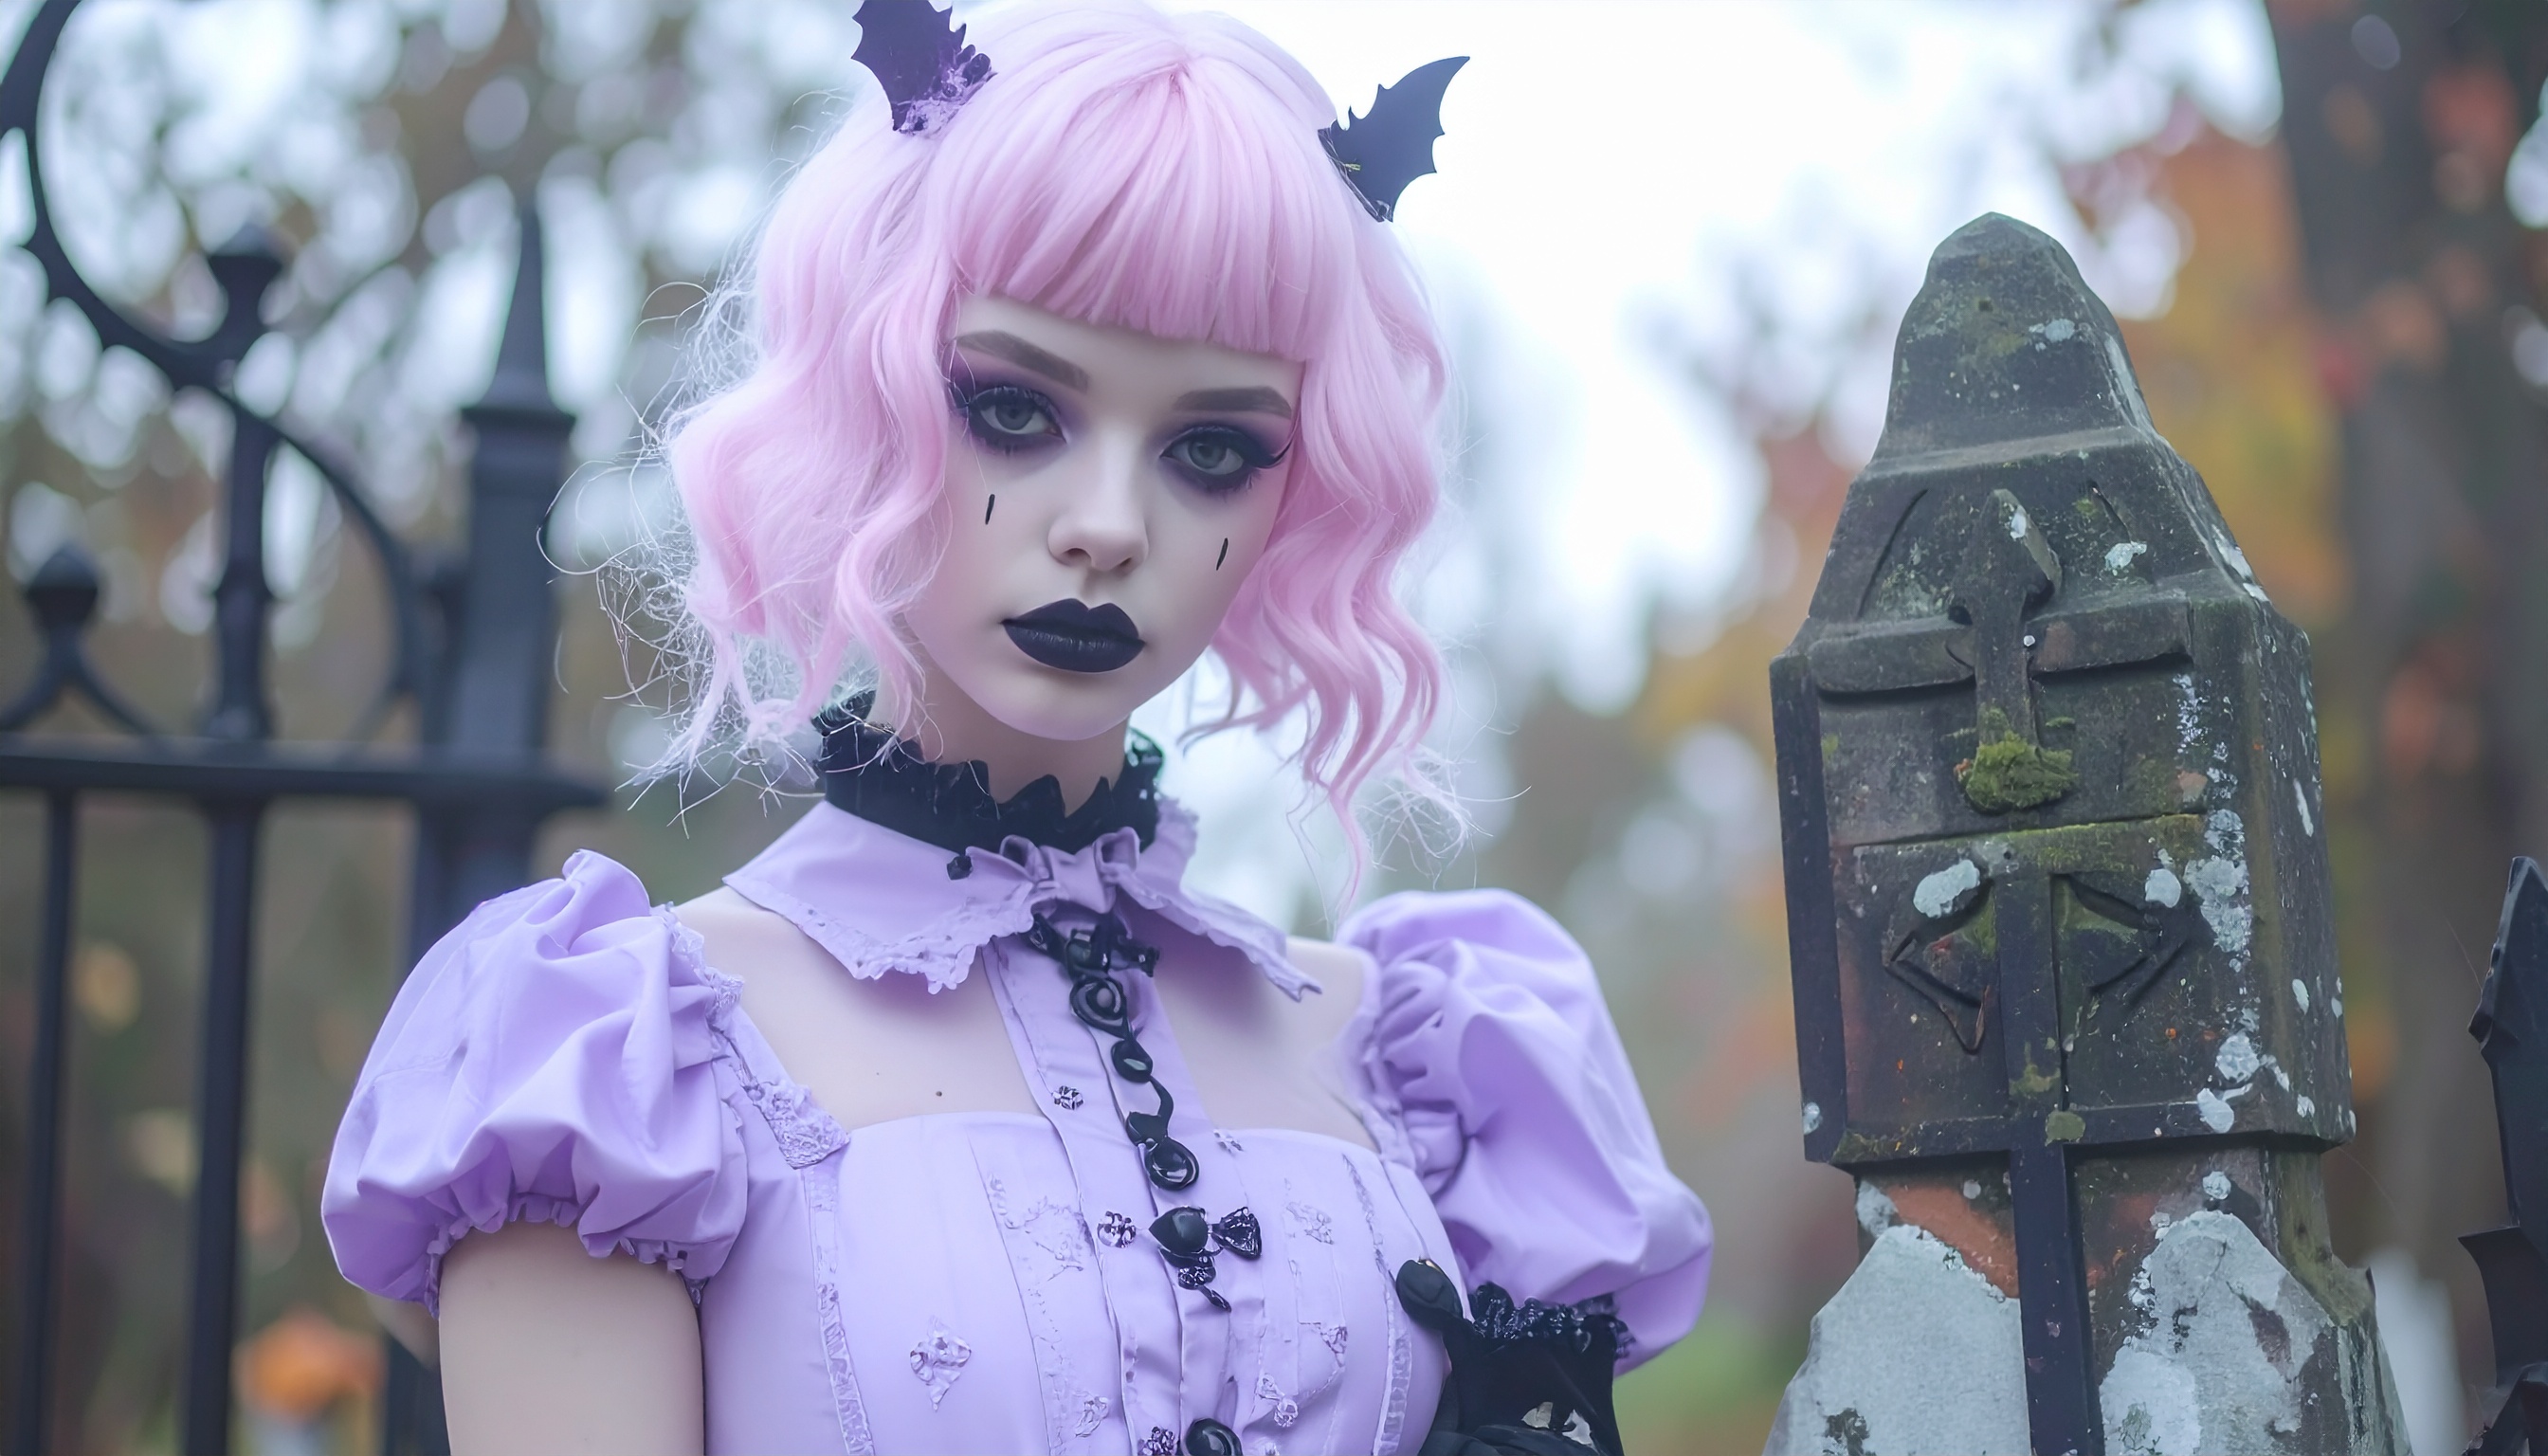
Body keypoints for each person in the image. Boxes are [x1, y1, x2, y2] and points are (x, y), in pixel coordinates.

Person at [321, 4, 1711, 1453]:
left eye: (1212, 449)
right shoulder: (610, 1068)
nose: (1108, 527)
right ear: (869, 395)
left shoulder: (1419, 1056)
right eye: (1014, 408)